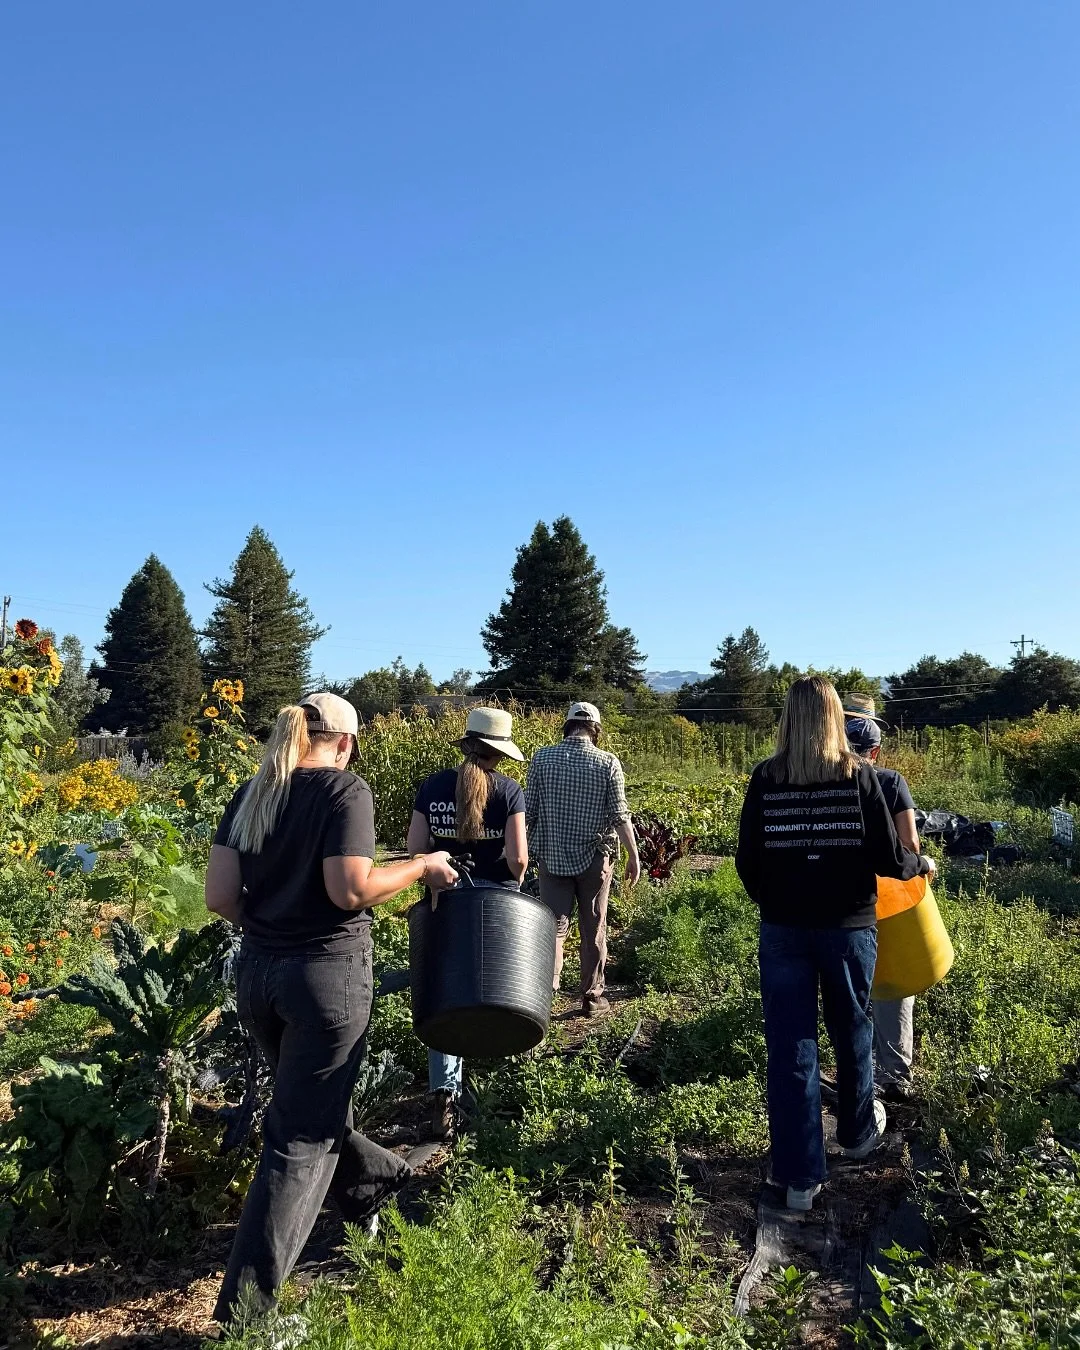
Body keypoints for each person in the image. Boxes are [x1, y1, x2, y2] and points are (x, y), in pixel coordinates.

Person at [205, 692, 459, 1325]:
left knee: (310, 1109)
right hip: (326, 979)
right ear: (343, 742)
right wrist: (422, 863)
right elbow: (350, 889)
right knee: (299, 1136)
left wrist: (272, 931)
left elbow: (217, 897)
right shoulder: (344, 792)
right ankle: (245, 1318)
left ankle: (378, 1190)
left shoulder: (252, 794)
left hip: (259, 978)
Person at [735, 677, 935, 1213]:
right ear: (832, 718)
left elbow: (747, 863)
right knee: (853, 1028)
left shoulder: (766, 778)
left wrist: (776, 900)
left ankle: (800, 1176)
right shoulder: (860, 776)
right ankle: (855, 1135)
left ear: (788, 719)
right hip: (848, 928)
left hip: (784, 929)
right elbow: (892, 860)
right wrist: (923, 864)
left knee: (791, 1044)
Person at [406, 707, 528, 1138]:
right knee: (502, 990)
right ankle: (500, 1081)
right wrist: (517, 883)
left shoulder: (432, 787)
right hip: (497, 905)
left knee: (448, 999)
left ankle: (443, 1093)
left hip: (445, 902)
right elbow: (518, 859)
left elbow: (415, 850)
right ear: (498, 753)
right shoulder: (509, 791)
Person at [525, 701, 641, 1017]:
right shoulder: (608, 763)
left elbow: (529, 812)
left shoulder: (542, 759)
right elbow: (619, 814)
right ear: (595, 730)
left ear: (567, 726)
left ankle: (543, 998)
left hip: (553, 857)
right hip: (595, 860)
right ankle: (591, 998)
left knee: (554, 929)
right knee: (593, 929)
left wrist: (517, 853)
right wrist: (634, 854)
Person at [842, 693, 920, 1101]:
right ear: (875, 749)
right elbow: (908, 844)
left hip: (837, 902)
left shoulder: (823, 778)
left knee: (852, 988)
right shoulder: (889, 782)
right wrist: (922, 865)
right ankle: (894, 1075)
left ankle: (857, 1074)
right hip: (886, 898)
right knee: (892, 985)